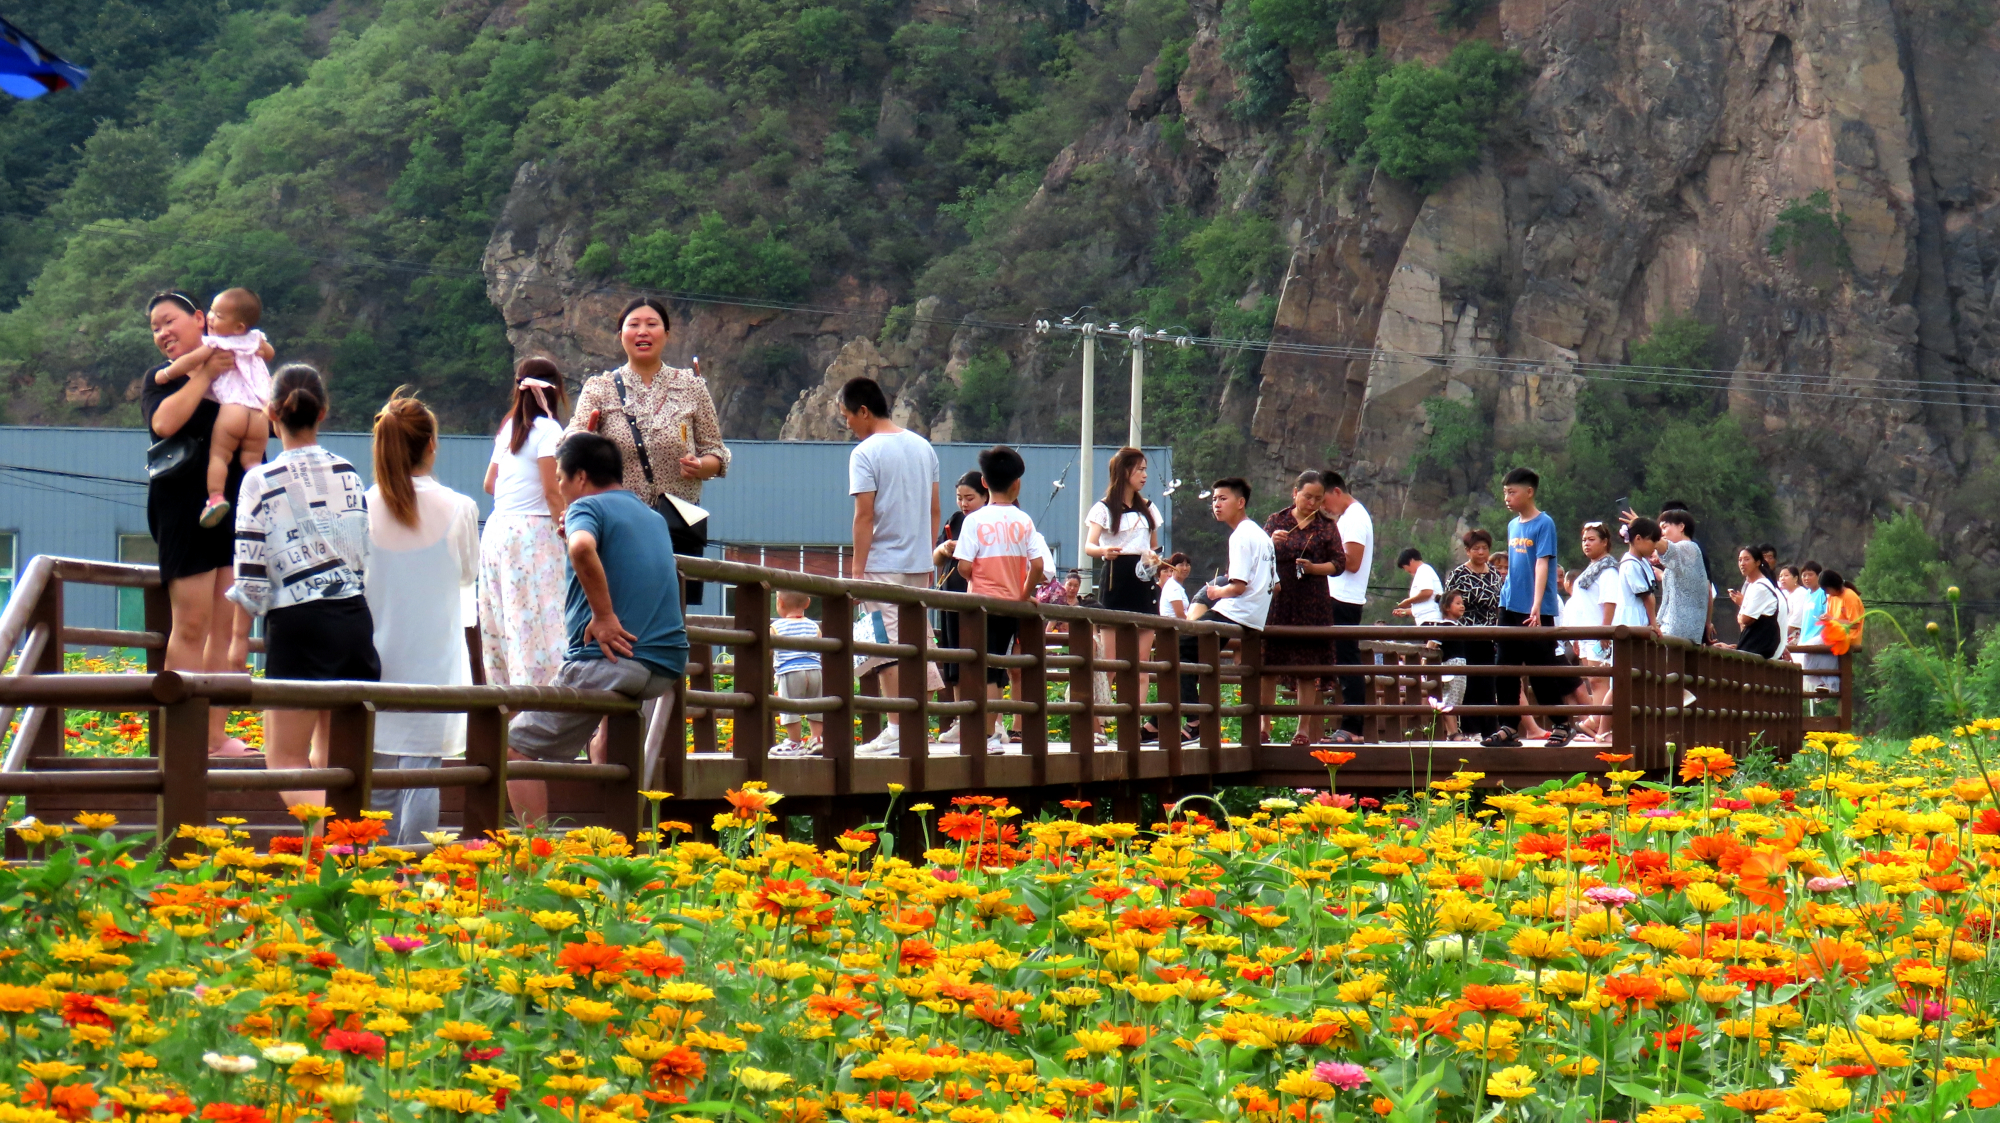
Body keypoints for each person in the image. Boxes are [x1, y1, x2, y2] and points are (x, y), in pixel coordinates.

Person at [508, 433, 687, 823]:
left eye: (560, 478)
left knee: (512, 746)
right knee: (608, 737)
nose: (557, 486)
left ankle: (533, 856)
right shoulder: (652, 517)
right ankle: (614, 836)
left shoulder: (584, 507)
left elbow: (581, 548)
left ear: (581, 477)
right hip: (665, 665)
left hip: (613, 659)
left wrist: (604, 617)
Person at [228, 364, 378, 809]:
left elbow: (250, 569)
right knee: (335, 760)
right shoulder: (349, 472)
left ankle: (336, 846)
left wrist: (238, 641)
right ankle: (349, 851)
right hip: (353, 617)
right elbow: (361, 551)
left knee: (286, 759)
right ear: (324, 411)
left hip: (298, 623)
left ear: (270, 412)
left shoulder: (260, 480)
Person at [362, 390, 480, 844]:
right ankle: (412, 876)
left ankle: (375, 874)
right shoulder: (460, 509)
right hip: (435, 662)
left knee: (379, 779)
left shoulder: (363, 507)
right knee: (422, 774)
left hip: (375, 661)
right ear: (431, 443)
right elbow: (467, 576)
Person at [142, 291, 255, 756]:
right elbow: (165, 424)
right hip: (183, 510)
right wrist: (203, 373)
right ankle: (179, 740)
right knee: (190, 624)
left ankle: (213, 736)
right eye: (155, 328)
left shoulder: (237, 360)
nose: (163, 333)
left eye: (169, 321)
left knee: (228, 631)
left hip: (235, 505)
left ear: (198, 319)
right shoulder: (161, 379)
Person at [567, 297, 729, 602]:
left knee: (673, 615)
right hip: (618, 522)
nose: (643, 331)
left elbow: (717, 453)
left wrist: (701, 465)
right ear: (621, 334)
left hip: (677, 525)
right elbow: (568, 444)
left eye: (652, 324)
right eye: (634, 325)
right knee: (623, 607)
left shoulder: (691, 386)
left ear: (667, 334)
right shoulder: (598, 388)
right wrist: (584, 437)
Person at [841, 376, 943, 752]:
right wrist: (927, 554)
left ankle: (899, 730)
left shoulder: (865, 453)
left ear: (863, 411)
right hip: (917, 562)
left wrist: (856, 573)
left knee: (886, 647)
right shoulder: (922, 446)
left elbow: (864, 516)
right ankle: (916, 727)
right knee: (917, 641)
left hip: (882, 562)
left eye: (848, 416)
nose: (848, 424)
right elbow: (934, 509)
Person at [479, 358, 571, 688]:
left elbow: (490, 484)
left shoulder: (509, 428)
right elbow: (552, 489)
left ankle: (509, 701)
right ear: (556, 390)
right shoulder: (549, 430)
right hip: (534, 533)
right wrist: (569, 528)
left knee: (507, 621)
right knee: (542, 622)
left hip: (498, 529)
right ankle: (545, 700)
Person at [152, 287, 275, 528]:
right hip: (259, 411)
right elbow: (268, 352)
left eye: (169, 322)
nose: (211, 317)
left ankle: (215, 497)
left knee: (219, 455)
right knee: (253, 461)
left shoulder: (216, 344)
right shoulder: (253, 339)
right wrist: (261, 350)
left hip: (234, 410)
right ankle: (264, 493)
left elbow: (188, 361)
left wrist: (166, 373)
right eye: (155, 329)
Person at [950, 445, 1043, 751]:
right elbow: (1039, 566)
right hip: (1008, 606)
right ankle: (991, 735)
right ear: (1017, 484)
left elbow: (963, 566)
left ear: (985, 483)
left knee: (975, 669)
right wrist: (1023, 595)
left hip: (977, 605)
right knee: (995, 670)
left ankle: (981, 733)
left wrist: (974, 575)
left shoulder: (974, 521)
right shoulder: (1024, 521)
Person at [1483, 467, 1578, 748]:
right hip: (1509, 604)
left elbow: (1542, 563)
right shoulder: (1513, 525)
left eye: (1512, 492)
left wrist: (1536, 605)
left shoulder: (1544, 523)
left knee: (1541, 668)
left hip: (1537, 608)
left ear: (1529, 492)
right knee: (1505, 667)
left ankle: (1561, 724)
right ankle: (1508, 727)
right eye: (1505, 493)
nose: (1508, 498)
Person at [1262, 471, 1344, 746]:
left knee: (1308, 668)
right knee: (1269, 662)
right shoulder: (1277, 520)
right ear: (1294, 492)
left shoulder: (1326, 526)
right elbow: (1259, 557)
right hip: (1279, 597)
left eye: (1318, 499)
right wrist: (1272, 543)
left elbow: (1339, 564)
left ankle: (1303, 729)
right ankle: (1264, 725)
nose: (1312, 502)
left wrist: (1313, 568)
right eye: (1307, 496)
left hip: (1313, 600)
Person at [1203, 478, 1277, 745]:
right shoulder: (1262, 536)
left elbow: (1237, 587)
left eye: (1223, 499)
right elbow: (1275, 585)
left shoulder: (1241, 535)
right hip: (1252, 617)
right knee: (1195, 655)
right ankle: (1192, 718)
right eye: (1214, 499)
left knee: (1178, 648)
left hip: (1234, 612)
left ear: (1240, 502)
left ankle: (1192, 719)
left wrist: (1214, 593)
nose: (1217, 504)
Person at [932, 470, 988, 742]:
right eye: (959, 498)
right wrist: (945, 549)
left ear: (986, 496)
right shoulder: (955, 521)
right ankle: (959, 718)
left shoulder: (988, 522)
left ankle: (992, 722)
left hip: (979, 596)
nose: (964, 503)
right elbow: (935, 557)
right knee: (953, 655)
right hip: (950, 595)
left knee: (983, 659)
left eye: (970, 497)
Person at [1321, 471, 1373, 745]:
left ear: (1337, 492)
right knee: (1344, 662)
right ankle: (1351, 726)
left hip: (1344, 598)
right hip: (1342, 597)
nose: (1323, 507)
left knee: (1348, 662)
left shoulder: (1353, 518)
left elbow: (1351, 562)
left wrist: (1318, 562)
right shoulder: (1350, 517)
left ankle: (1352, 726)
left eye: (1324, 499)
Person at [1444, 529, 1502, 740]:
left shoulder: (1494, 573)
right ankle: (1470, 729)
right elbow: (1447, 602)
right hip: (1466, 633)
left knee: (1488, 683)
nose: (1481, 552)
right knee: (1469, 683)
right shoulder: (1459, 574)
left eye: (1484, 548)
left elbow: (1499, 602)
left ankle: (1490, 729)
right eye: (1476, 548)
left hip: (1489, 635)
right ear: (1468, 551)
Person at [772, 590, 824, 755]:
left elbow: (767, 649)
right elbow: (821, 646)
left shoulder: (776, 627)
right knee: (816, 705)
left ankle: (794, 742)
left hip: (790, 671)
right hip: (815, 671)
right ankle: (816, 739)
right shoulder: (813, 626)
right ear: (808, 603)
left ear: (779, 602)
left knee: (789, 706)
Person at [1654, 509, 1710, 643]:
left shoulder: (1688, 547)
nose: (1661, 533)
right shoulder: (1688, 551)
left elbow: (1669, 550)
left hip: (1678, 629)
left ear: (1681, 526)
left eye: (1665, 527)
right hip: (1682, 629)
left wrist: (1647, 532)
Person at [1421, 589, 1468, 738]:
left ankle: (1453, 731)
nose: (1462, 606)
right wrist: (1424, 662)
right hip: (1451, 666)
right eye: (1458, 603)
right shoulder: (1444, 626)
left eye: (1462, 603)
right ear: (1447, 607)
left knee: (1457, 699)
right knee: (1450, 699)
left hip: (1460, 665)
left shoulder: (1457, 626)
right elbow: (1432, 644)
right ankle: (1453, 732)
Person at [1729, 546, 1784, 659]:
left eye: (1747, 559)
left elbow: (1745, 619)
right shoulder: (1753, 585)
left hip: (1760, 643)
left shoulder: (1761, 587)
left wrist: (1741, 615)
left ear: (1758, 562)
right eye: (1740, 560)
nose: (1742, 564)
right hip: (1756, 642)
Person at [1393, 547, 1443, 623]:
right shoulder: (1423, 571)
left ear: (1411, 561)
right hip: (1425, 618)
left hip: (1430, 619)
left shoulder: (1423, 570)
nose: (1406, 571)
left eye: (1405, 567)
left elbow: (1427, 592)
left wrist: (1408, 601)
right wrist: (1405, 612)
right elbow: (1424, 606)